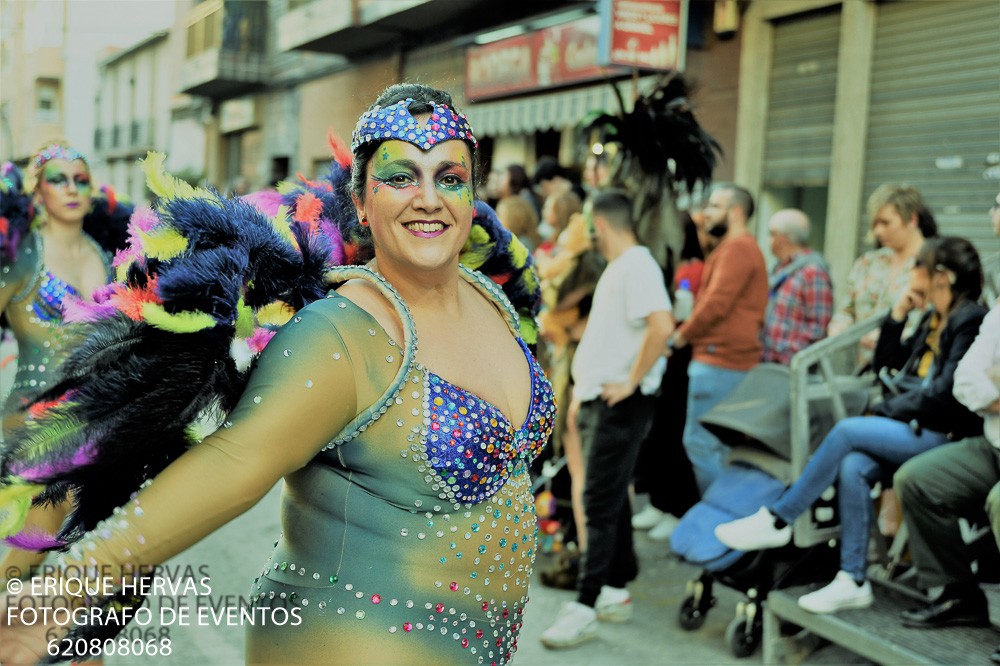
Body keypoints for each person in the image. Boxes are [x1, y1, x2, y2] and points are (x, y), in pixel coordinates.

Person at [0, 84, 556, 665]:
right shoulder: (341, 331)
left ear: (473, 194)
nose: (428, 197)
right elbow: (234, 462)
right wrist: (58, 596)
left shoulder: (491, 298)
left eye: (448, 177)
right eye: (399, 177)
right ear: (361, 202)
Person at [716, 237, 987, 615]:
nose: (911, 274)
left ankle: (780, 518)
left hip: (944, 436)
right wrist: (896, 315)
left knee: (846, 432)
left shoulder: (969, 318)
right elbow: (887, 365)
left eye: (917, 267)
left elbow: (947, 395)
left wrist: (888, 409)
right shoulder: (934, 317)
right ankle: (852, 580)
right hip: (915, 427)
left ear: (940, 277)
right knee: (853, 465)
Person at [540, 190, 673, 648]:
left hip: (621, 402)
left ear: (599, 224)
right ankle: (613, 590)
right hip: (604, 399)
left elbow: (662, 325)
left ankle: (586, 603)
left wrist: (631, 383)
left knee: (598, 501)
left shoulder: (637, 264)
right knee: (609, 500)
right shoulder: (626, 266)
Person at [0, 143, 129, 586]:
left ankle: (79, 650)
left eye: (80, 179)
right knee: (30, 549)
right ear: (37, 191)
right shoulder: (21, 258)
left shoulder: (105, 254)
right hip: (35, 422)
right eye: (58, 179)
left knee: (95, 570)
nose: (71, 189)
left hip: (99, 419)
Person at [894, 304, 999, 635]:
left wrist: (995, 377)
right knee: (916, 480)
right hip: (993, 444)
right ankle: (960, 596)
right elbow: (964, 379)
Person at [668, 183, 769, 494]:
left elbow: (716, 303)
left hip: (720, 360)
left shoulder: (738, 247)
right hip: (723, 360)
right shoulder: (733, 246)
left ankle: (717, 516)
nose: (705, 213)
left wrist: (679, 337)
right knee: (718, 448)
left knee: (700, 443)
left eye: (714, 206)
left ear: (736, 212)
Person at [827, 184, 937, 365]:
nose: (877, 231)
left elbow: (937, 321)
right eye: (874, 224)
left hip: (906, 371)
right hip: (861, 371)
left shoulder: (934, 263)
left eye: (885, 223)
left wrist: (891, 336)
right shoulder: (867, 263)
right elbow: (846, 311)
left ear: (912, 220)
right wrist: (840, 329)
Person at [761, 209, 834, 365]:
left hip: (790, 369)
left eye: (771, 234)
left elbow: (819, 327)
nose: (768, 240)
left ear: (782, 238)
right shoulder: (778, 268)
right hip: (768, 363)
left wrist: (788, 355)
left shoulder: (813, 272)